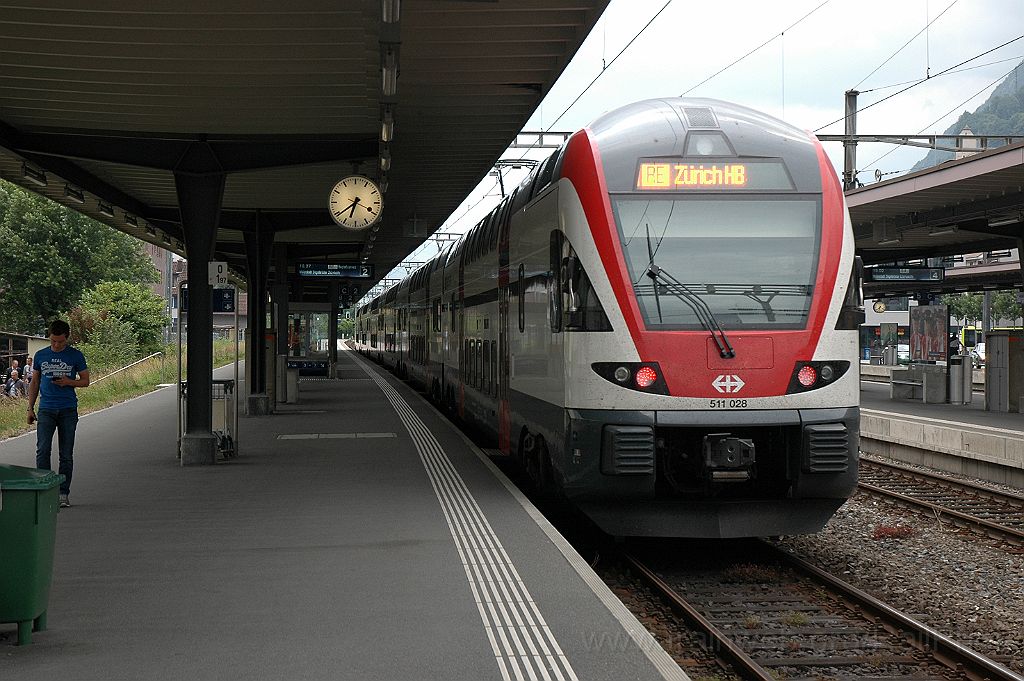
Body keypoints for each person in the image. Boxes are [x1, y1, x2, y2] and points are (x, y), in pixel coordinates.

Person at [27, 320, 90, 508]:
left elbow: (85, 381)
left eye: (60, 342)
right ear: (50, 337)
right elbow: (35, 382)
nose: (56, 345)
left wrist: (69, 382)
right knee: (43, 450)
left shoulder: (75, 356)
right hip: (46, 408)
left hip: (67, 409)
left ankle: (63, 493)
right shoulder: (40, 355)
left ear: (67, 338)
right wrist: (30, 407)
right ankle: (46, 490)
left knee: (66, 453)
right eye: (53, 341)